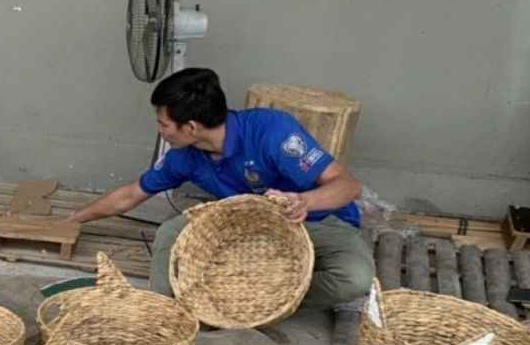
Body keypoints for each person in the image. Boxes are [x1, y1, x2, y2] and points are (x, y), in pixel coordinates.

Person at [70, 67, 374, 311]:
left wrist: (302, 201)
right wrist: (72, 220)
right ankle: (166, 310)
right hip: (243, 225)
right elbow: (129, 196)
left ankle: (265, 298)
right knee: (169, 233)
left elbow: (348, 186)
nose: (160, 131)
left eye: (163, 124)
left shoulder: (272, 132)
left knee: (355, 278)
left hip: (314, 221)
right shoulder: (183, 157)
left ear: (190, 127)